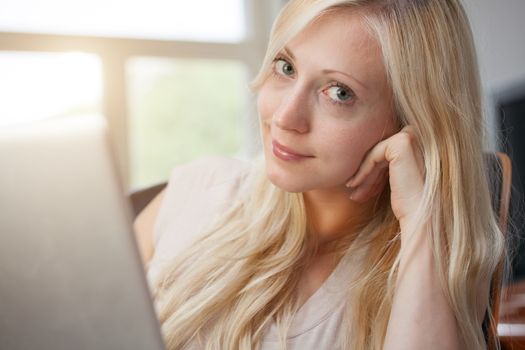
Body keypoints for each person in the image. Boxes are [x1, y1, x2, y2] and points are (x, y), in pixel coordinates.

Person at [134, 0, 506, 349]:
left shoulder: (424, 274)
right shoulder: (198, 189)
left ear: (409, 122)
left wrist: (421, 216)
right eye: (286, 67)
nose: (284, 117)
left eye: (340, 93)